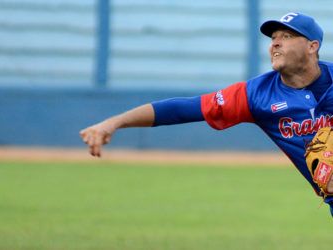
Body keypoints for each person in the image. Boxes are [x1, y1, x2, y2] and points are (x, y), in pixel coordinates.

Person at [80, 12, 333, 216]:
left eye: (287, 36)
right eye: (273, 37)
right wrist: (114, 123)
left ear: (312, 46)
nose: (275, 43)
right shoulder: (256, 95)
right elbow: (183, 109)